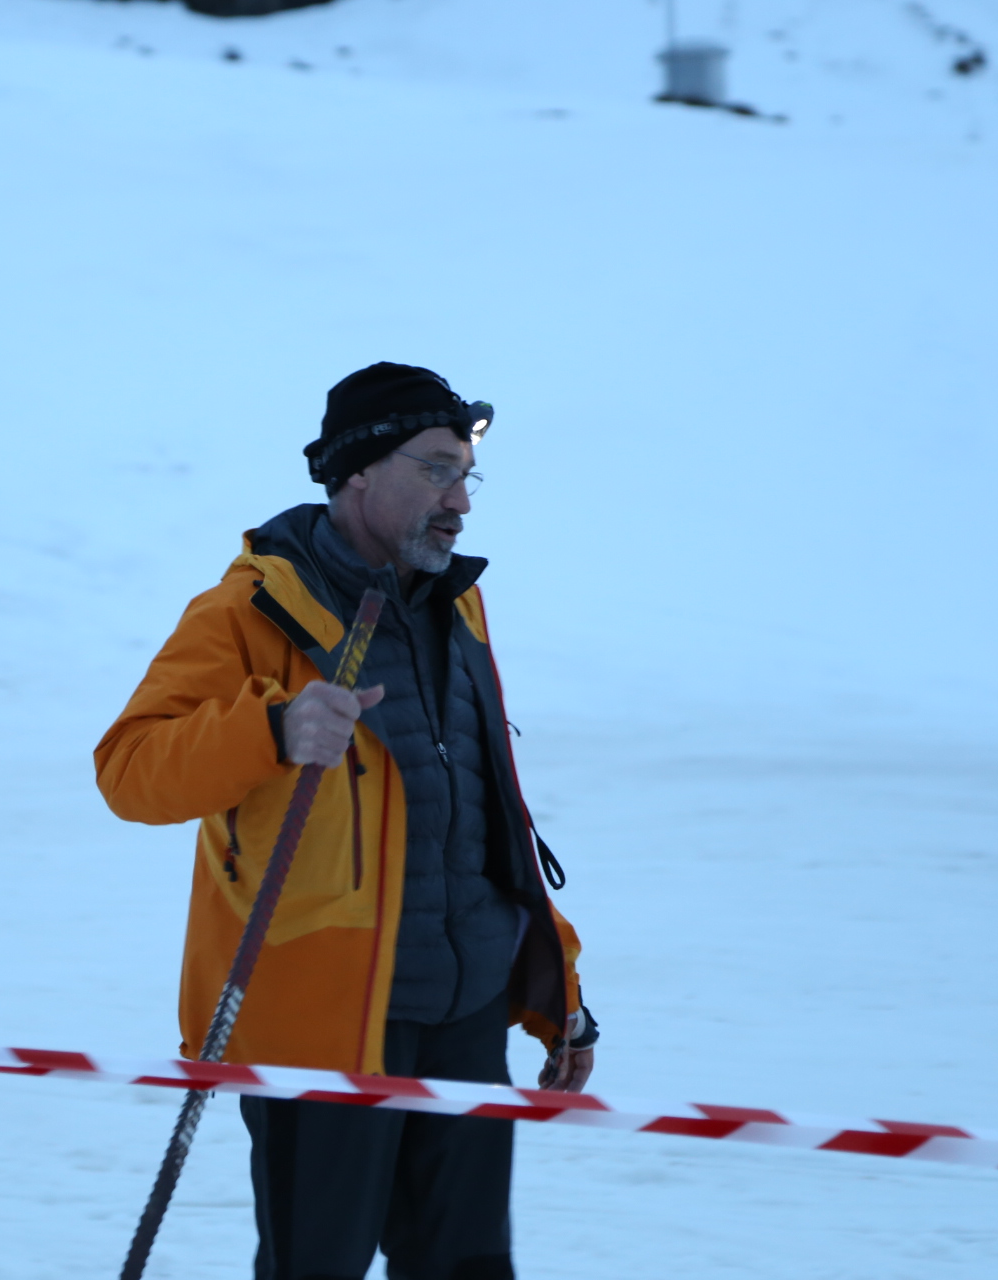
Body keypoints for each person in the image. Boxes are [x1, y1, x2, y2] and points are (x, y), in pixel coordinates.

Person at [95, 362, 598, 1280]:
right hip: (318, 1026)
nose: (461, 502)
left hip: (465, 1014)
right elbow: (129, 773)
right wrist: (271, 731)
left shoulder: (458, 605)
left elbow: (481, 815)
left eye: (467, 475)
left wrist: (553, 983)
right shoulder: (248, 610)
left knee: (468, 1270)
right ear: (358, 470)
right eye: (437, 470)